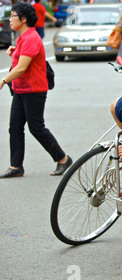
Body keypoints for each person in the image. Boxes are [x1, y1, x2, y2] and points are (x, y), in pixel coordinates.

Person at [0, 2, 71, 178]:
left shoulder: (31, 37)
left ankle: (62, 158)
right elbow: (24, 57)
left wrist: (3, 80)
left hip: (34, 90)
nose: (10, 19)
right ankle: (16, 166)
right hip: (21, 89)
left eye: (13, 16)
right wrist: (15, 51)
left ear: (23, 19)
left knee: (36, 127)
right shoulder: (23, 37)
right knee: (15, 127)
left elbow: (22, 68)